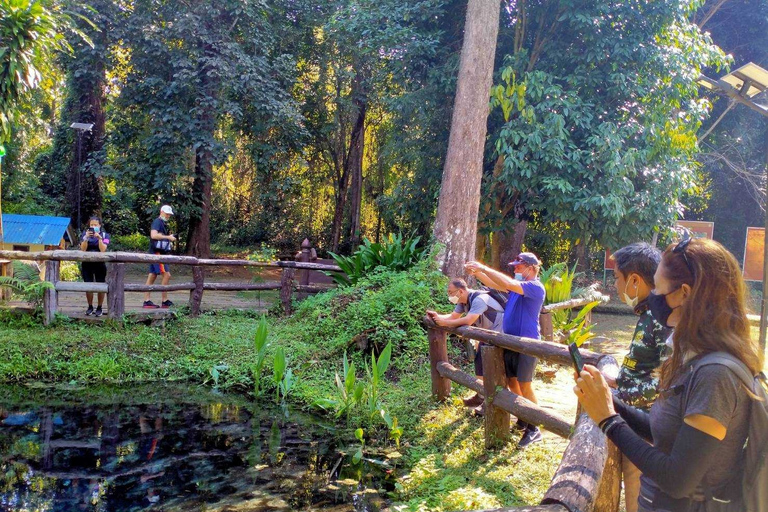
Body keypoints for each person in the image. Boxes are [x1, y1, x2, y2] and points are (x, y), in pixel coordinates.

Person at [574, 238, 763, 511]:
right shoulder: (692, 357)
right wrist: (608, 402)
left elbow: (678, 480)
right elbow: (664, 430)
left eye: (658, 289)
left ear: (684, 294)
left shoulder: (716, 374)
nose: (653, 299)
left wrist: (608, 421)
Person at [610, 243, 671, 512]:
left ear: (634, 279)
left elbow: (670, 383)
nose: (615, 285)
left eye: (617, 278)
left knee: (638, 494)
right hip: (637, 419)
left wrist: (620, 395)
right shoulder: (648, 313)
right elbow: (647, 368)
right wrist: (619, 380)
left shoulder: (661, 318)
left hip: (647, 426)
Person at [466, 252, 546, 448]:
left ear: (531, 268)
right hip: (510, 341)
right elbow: (496, 284)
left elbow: (508, 283)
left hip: (527, 343)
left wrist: (484, 267)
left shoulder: (534, 287)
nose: (515, 269)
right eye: (515, 267)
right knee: (512, 383)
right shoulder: (517, 289)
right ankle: (523, 417)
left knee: (525, 384)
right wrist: (478, 273)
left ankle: (534, 428)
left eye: (519, 267)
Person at [426, 278, 506, 413]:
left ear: (461, 291)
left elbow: (468, 320)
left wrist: (443, 324)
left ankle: (492, 401)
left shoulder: (479, 299)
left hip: (499, 335)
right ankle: (481, 395)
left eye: (451, 292)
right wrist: (436, 317)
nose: (449, 295)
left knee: (493, 369)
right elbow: (452, 317)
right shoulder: (463, 301)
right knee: (479, 365)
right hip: (486, 336)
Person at [143, 205, 176, 309]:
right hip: (157, 253)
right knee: (167, 275)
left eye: (169, 214)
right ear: (161, 212)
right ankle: (164, 300)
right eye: (166, 214)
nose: (168, 216)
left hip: (157, 252)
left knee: (152, 275)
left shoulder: (162, 223)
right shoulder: (157, 222)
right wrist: (168, 238)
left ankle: (146, 300)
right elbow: (153, 235)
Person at [79, 216, 110, 316]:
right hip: (87, 264)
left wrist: (100, 239)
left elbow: (103, 249)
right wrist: (86, 238)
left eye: (95, 225)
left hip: (100, 264)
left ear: (99, 226)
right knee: (88, 285)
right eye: (91, 225)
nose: (93, 227)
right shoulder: (84, 234)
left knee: (101, 285)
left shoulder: (105, 235)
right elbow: (83, 249)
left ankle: (100, 307)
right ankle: (90, 306)